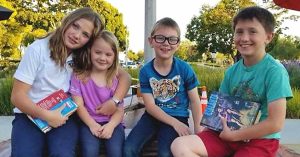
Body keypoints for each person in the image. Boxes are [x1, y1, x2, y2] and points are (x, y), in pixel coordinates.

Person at [171, 6, 293, 157]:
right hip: (226, 135)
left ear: (268, 37)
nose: (244, 38)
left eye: (252, 31)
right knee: (180, 145)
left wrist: (235, 135)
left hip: (260, 140)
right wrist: (208, 129)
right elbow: (219, 111)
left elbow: (275, 123)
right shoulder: (231, 72)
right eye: (239, 31)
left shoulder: (275, 71)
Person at [10, 7, 130, 157]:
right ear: (67, 21)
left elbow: (125, 77)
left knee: (63, 153)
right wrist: (47, 116)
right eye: (75, 26)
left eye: (85, 34)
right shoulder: (38, 49)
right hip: (30, 114)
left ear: (90, 41)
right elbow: (17, 96)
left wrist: (115, 100)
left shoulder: (84, 55)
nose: (77, 35)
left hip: (64, 115)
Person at [123, 17, 203, 157]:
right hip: (152, 117)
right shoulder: (145, 71)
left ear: (177, 44)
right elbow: (151, 106)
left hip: (178, 116)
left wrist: (198, 128)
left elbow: (195, 100)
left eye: (172, 39)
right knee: (128, 149)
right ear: (151, 41)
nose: (166, 43)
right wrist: (174, 123)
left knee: (166, 153)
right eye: (160, 38)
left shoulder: (185, 69)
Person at [69, 30, 128, 157]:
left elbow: (119, 110)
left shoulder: (114, 79)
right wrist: (92, 125)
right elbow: (78, 105)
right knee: (89, 151)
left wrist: (111, 126)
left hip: (113, 122)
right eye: (98, 52)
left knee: (115, 152)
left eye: (108, 54)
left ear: (114, 57)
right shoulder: (78, 76)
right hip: (88, 122)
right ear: (90, 51)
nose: (102, 58)